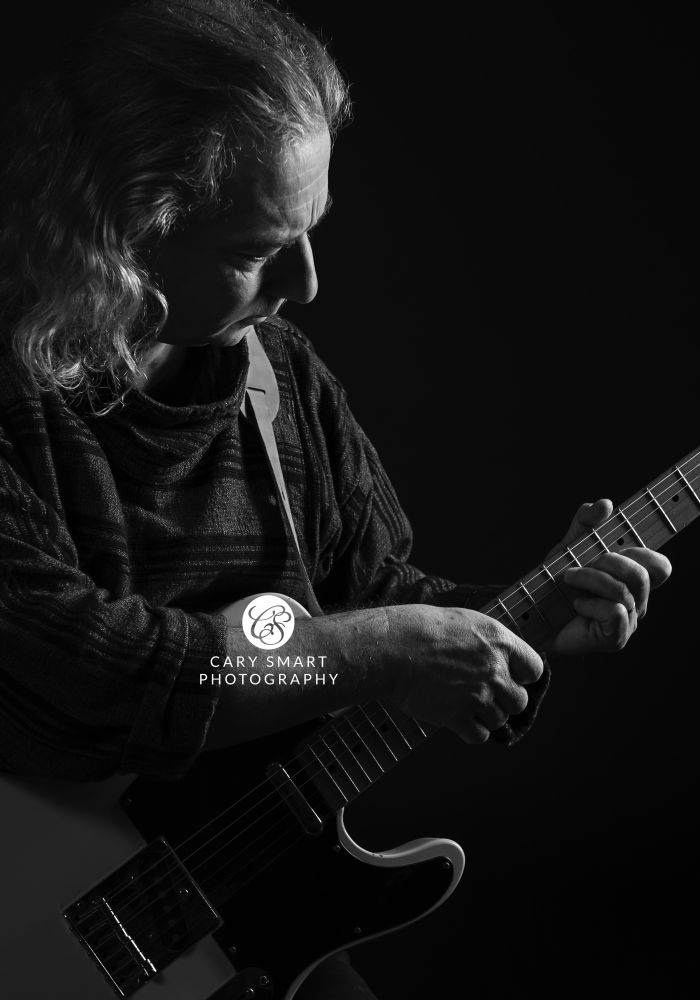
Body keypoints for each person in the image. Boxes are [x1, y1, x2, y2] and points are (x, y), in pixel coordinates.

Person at [0, 1, 672, 997]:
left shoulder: (281, 381)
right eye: (251, 251)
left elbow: (371, 592)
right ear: (118, 232)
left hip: (242, 915)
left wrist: (524, 617)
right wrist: (385, 649)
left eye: (310, 231)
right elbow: (96, 673)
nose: (307, 283)